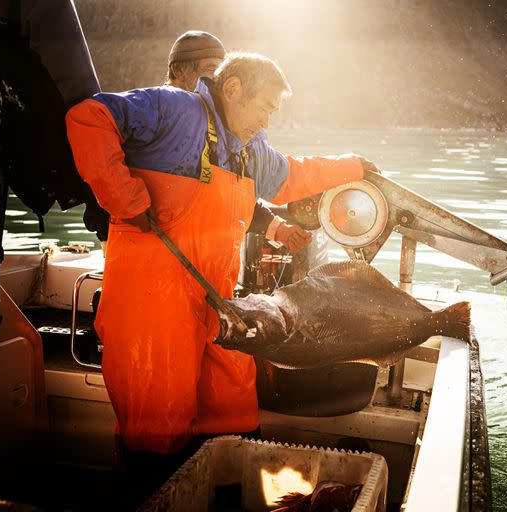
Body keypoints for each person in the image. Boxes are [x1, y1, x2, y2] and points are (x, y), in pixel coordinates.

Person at [66, 52, 377, 455]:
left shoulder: (250, 147)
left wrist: (351, 167)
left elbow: (291, 177)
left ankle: (226, 484)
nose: (267, 122)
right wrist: (124, 198)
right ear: (232, 89)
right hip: (151, 308)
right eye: (264, 108)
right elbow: (88, 118)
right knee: (158, 426)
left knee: (233, 407)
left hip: (217, 303)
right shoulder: (173, 107)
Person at [167, 30, 311, 253]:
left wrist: (278, 229)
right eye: (210, 69)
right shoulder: (162, 113)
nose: (215, 79)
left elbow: (229, 196)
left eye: (220, 71)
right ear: (177, 70)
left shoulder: (227, 128)